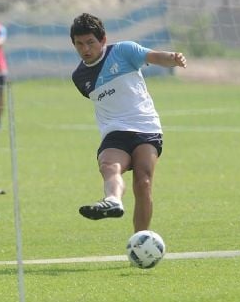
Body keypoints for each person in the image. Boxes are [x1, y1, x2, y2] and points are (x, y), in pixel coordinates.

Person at [70, 12, 187, 232]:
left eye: (90, 42)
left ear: (103, 39)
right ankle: (113, 200)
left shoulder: (123, 51)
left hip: (145, 127)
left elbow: (153, 56)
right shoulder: (80, 77)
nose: (85, 49)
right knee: (108, 166)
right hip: (114, 131)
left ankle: (140, 239)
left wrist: (172, 58)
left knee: (143, 182)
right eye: (79, 44)